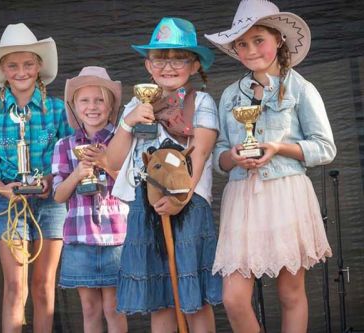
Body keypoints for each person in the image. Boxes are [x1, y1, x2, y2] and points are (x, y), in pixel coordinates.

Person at [205, 1, 336, 332]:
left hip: (286, 193)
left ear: (278, 39)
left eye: (258, 39)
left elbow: (325, 148)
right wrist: (232, 157)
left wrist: (278, 147)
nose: (250, 50)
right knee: (234, 297)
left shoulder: (301, 89)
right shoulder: (230, 96)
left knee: (290, 293)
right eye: (242, 44)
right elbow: (218, 155)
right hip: (242, 199)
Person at [107, 17, 222, 332]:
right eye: (160, 59)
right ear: (148, 64)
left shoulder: (202, 102)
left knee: (193, 299)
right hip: (144, 208)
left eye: (179, 59)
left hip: (187, 205)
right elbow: (113, 161)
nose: (168, 67)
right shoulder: (137, 102)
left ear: (195, 66)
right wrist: (128, 122)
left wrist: (180, 199)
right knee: (161, 301)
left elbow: (199, 155)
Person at [0, 23, 72, 332]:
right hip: (10, 205)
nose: (21, 71)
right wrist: (4, 190)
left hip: (51, 203)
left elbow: (69, 155)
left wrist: (48, 178)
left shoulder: (57, 109)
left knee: (44, 284)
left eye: (28, 64)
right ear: (3, 70)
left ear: (38, 66)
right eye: (13, 65)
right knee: (15, 286)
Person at [51, 66, 128, 333]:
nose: (92, 106)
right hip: (80, 238)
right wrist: (77, 173)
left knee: (114, 308)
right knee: (90, 309)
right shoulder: (64, 146)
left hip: (116, 237)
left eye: (100, 100)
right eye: (85, 100)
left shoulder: (122, 140)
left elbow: (132, 187)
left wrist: (106, 164)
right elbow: (59, 194)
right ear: (74, 106)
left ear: (110, 106)